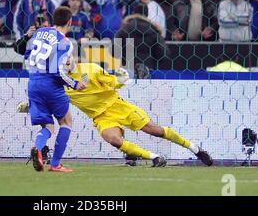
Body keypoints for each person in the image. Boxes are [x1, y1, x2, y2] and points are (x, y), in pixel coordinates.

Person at [19, 62, 213, 167]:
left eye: (67, 58)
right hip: (101, 117)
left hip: (117, 106)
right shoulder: (60, 84)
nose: (65, 62)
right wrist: (29, 105)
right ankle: (154, 157)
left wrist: (121, 79)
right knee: (112, 138)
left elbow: (112, 81)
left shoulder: (91, 69)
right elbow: (48, 100)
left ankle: (195, 149)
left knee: (154, 130)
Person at [25, 6, 87, 173]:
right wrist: (74, 84)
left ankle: (38, 149)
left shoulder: (40, 32)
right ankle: (55, 164)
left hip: (33, 83)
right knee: (66, 121)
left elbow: (27, 55)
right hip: (51, 85)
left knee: (47, 126)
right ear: (70, 22)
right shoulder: (65, 43)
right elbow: (57, 71)